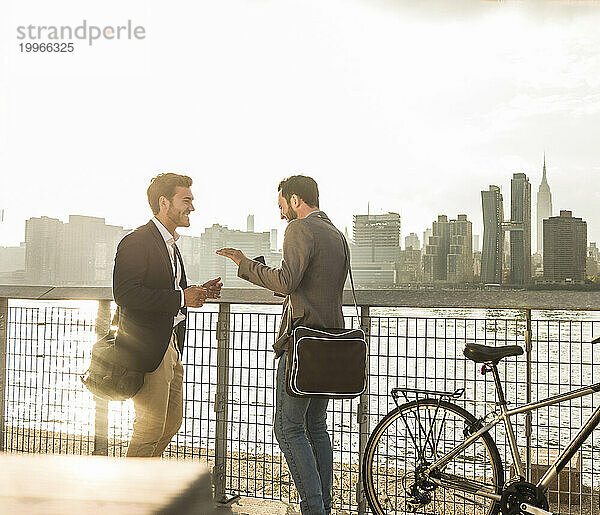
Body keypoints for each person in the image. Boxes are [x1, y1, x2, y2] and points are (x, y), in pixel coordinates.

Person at [217, 175, 348, 515]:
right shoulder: (336, 233)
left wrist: (246, 266)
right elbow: (310, 283)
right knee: (315, 426)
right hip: (331, 344)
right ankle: (325, 507)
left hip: (303, 346)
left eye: (280, 206)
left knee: (288, 427)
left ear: (293, 200)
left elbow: (288, 281)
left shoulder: (299, 229)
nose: (280, 215)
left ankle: (313, 508)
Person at [113, 173, 222, 457]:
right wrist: (181, 297)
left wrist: (197, 292)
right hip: (149, 348)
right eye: (186, 200)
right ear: (164, 202)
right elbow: (125, 294)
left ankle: (142, 485)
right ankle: (129, 495)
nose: (192, 208)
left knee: (171, 423)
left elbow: (171, 292)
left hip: (171, 344)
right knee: (150, 427)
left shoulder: (170, 244)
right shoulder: (137, 241)